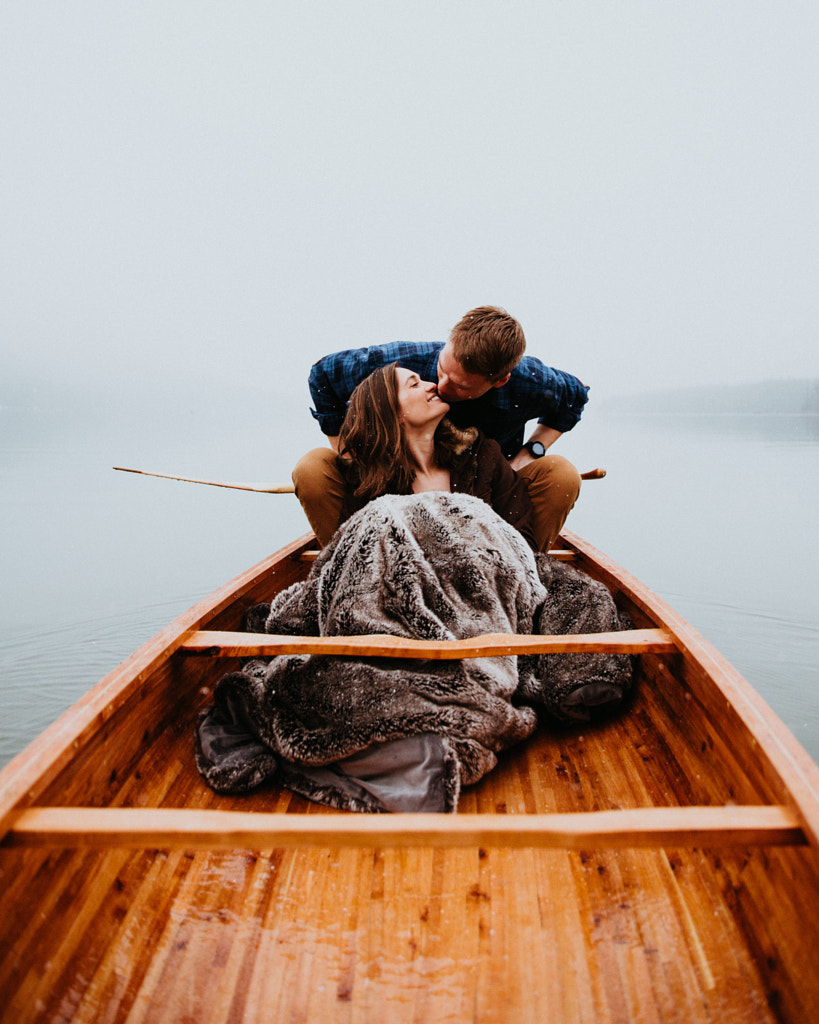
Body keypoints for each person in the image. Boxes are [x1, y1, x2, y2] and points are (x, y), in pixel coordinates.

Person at [293, 305, 589, 549]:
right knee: (313, 466)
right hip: (389, 477)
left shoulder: (532, 383)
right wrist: (348, 454)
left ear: (499, 381)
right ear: (449, 343)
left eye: (460, 386)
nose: (440, 386)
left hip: (491, 489)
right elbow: (323, 376)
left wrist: (527, 455)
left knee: (560, 474)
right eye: (441, 370)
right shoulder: (400, 363)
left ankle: (523, 583)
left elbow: (575, 399)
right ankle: (344, 569)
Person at [335, 362, 537, 550]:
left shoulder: (482, 455)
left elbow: (522, 539)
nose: (432, 385)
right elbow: (358, 555)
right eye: (414, 384)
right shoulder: (368, 483)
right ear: (390, 411)